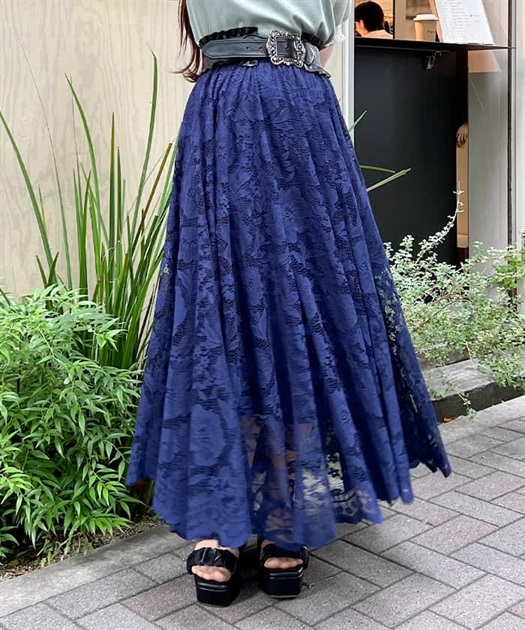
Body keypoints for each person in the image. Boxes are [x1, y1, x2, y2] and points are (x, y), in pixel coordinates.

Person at [127, 0, 451, 608]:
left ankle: (271, 513)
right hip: (250, 106)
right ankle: (237, 514)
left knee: (287, 305)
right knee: (226, 304)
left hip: (279, 106)